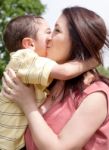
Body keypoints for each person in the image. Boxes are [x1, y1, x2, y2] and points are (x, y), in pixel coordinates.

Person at [2, 6, 109, 150]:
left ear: (77, 42)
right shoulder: (44, 84)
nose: (49, 38)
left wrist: (28, 104)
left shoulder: (95, 95)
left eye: (56, 30)